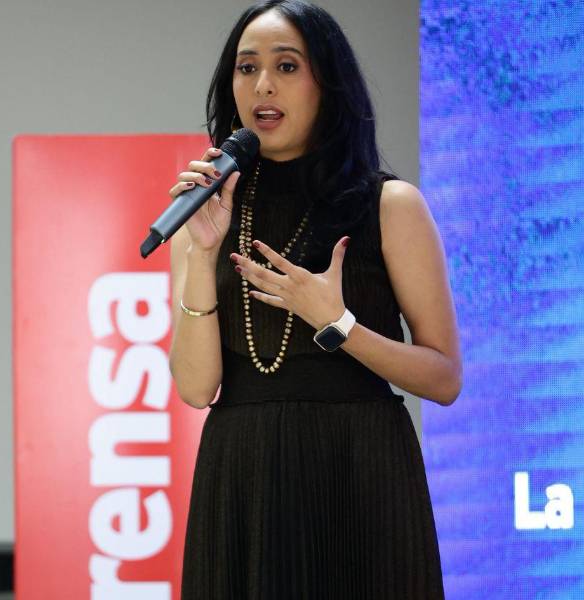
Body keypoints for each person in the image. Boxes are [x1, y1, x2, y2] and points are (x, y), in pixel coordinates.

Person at [168, 1, 461, 598]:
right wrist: (201, 254)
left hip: (359, 475)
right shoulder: (204, 214)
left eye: (287, 66)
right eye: (247, 67)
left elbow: (444, 377)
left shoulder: (390, 205)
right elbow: (197, 389)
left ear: (328, 84)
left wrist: (338, 323)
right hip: (243, 477)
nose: (263, 84)